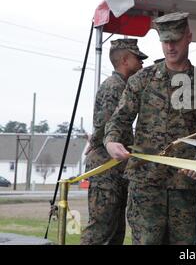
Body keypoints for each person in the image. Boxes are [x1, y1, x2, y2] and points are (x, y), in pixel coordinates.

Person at [104, 12, 196, 245]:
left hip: (186, 188)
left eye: (175, 39)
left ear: (188, 37)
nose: (170, 46)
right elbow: (118, 120)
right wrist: (111, 141)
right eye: (165, 40)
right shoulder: (142, 80)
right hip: (146, 187)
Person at [80, 39, 148, 245]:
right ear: (125, 60)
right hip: (105, 167)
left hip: (116, 167)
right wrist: (96, 141)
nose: (142, 64)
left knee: (116, 229)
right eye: (138, 59)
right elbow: (105, 124)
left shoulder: (123, 86)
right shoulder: (114, 87)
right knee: (101, 228)